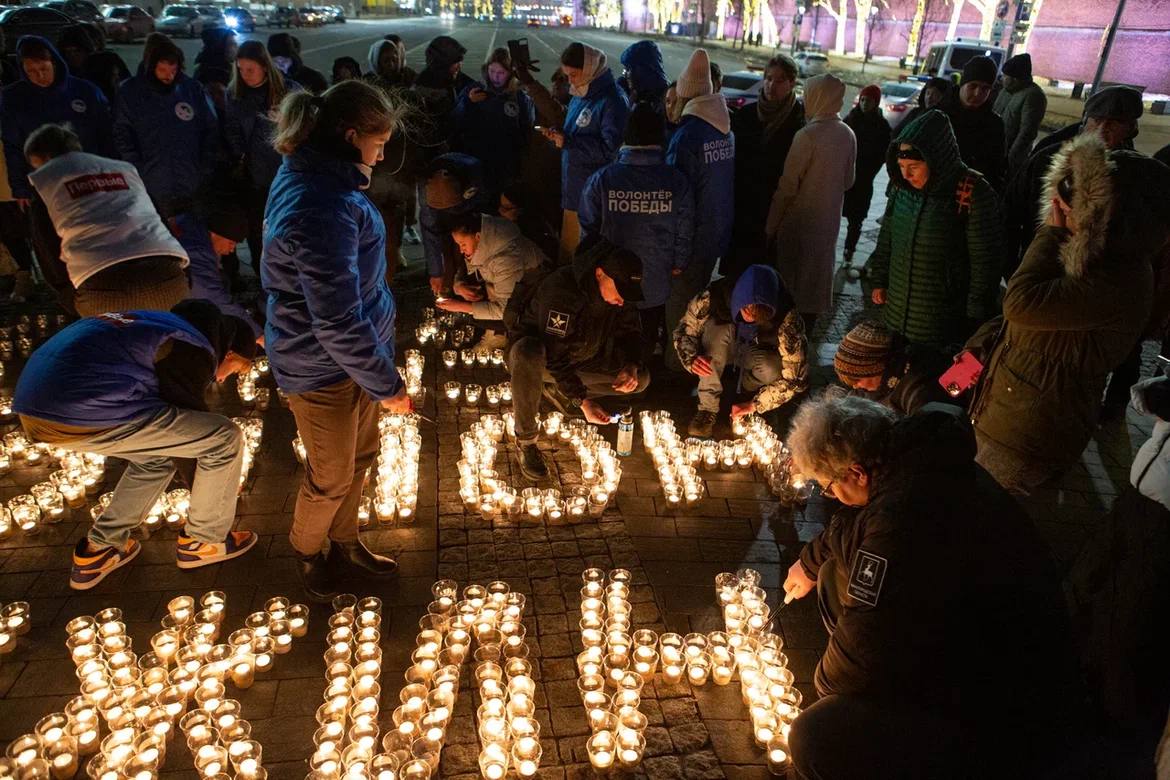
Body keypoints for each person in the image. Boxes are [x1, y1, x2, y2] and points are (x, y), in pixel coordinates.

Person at [782, 394, 1082, 778]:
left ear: (856, 472)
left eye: (828, 487)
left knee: (814, 735)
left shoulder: (904, 518)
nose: (833, 497)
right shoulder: (919, 463)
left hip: (1000, 704)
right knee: (831, 575)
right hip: (978, 635)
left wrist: (828, 686)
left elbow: (859, 653)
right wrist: (809, 562)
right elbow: (862, 525)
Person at [262, 79, 410, 601]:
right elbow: (336, 320)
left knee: (361, 459)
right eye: (379, 143)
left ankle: (345, 542)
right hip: (321, 366)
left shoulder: (324, 178)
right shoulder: (319, 205)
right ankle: (309, 554)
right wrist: (387, 385)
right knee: (329, 475)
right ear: (350, 136)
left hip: (354, 358)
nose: (383, 153)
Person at [13, 300, 259, 590]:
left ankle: (98, 551)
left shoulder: (161, 325)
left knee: (155, 459)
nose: (221, 377)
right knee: (223, 437)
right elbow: (190, 431)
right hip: (80, 407)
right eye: (232, 369)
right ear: (229, 352)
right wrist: (217, 490)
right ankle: (204, 542)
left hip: (36, 407)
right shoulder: (190, 348)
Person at [968, 134, 1160, 494]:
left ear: (1111, 215)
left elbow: (1020, 303)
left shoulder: (1116, 278)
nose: (1059, 210)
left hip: (1027, 434)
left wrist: (1049, 235)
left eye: (1074, 206)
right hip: (1009, 413)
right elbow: (1018, 330)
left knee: (986, 518)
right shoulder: (1088, 258)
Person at [504, 240, 649, 480]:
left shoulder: (620, 296)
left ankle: (561, 392)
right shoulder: (561, 292)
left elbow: (631, 332)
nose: (622, 301)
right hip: (543, 362)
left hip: (584, 358)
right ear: (600, 273)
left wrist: (630, 365)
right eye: (620, 292)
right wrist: (583, 402)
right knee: (526, 352)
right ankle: (527, 442)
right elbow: (556, 356)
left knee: (641, 379)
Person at [866, 110, 1001, 346]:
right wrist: (879, 279)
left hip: (942, 320)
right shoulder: (901, 188)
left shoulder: (972, 192)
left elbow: (985, 262)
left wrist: (975, 316)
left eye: (914, 167)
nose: (906, 175)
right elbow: (887, 237)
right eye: (901, 166)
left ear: (936, 160)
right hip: (896, 312)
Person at [25, 124, 190, 316]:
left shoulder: (46, 185)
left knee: (123, 343)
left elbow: (48, 249)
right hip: (167, 277)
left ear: (40, 159)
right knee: (172, 338)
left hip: (103, 290)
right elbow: (158, 217)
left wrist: (70, 299)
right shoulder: (123, 170)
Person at [1, 36, 113, 301]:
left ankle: (101, 284)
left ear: (55, 63)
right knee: (53, 241)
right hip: (44, 185)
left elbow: (105, 135)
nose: (39, 76)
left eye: (44, 69)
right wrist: (20, 187)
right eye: (31, 72)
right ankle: (68, 295)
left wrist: (109, 171)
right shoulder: (15, 99)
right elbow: (13, 146)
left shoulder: (84, 92)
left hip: (88, 179)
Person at [579, 103, 694, 359]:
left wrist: (592, 273)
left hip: (610, 281)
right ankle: (639, 374)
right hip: (653, 281)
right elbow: (684, 229)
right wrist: (679, 262)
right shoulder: (676, 180)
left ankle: (610, 379)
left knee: (606, 335)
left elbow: (587, 231)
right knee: (645, 332)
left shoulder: (603, 179)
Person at [1002, 85, 1143, 279]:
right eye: (1097, 120)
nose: (1102, 130)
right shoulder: (1049, 158)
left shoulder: (1136, 172)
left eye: (1114, 124)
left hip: (1095, 280)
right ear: (1085, 121)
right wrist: (1012, 268)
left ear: (1130, 129)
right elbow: (1011, 211)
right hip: (1038, 265)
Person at [766, 73, 856, 334]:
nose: (805, 100)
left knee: (791, 288)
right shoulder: (848, 134)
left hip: (799, 223)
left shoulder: (807, 135)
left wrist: (770, 227)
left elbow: (786, 188)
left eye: (808, 94)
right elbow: (849, 181)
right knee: (813, 288)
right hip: (828, 224)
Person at [673, 264, 808, 438]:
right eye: (746, 312)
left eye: (759, 319)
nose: (750, 320)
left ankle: (746, 392)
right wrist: (691, 359)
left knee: (772, 368)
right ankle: (707, 409)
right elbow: (685, 330)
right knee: (717, 329)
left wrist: (756, 404)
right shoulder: (713, 297)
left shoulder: (788, 318)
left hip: (755, 352)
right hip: (721, 347)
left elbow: (795, 379)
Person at [664, 49, 735, 370]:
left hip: (691, 241)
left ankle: (674, 373)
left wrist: (676, 253)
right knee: (696, 308)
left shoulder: (687, 136)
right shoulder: (724, 129)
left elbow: (677, 198)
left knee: (679, 313)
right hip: (714, 236)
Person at [114, 33, 219, 220]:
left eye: (173, 70)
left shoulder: (192, 90)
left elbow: (210, 130)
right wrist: (138, 169)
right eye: (162, 70)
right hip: (151, 187)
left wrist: (204, 167)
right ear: (151, 66)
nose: (169, 76)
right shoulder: (130, 93)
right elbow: (123, 135)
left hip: (191, 184)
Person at [543, 42, 630, 262]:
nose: (570, 80)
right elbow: (577, 130)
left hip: (590, 195)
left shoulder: (612, 100)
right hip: (573, 189)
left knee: (581, 258)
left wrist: (569, 142)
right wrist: (560, 133)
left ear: (590, 68)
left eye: (573, 74)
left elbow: (611, 150)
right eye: (566, 75)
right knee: (568, 253)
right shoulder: (581, 92)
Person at [225, 40, 300, 267]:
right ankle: (264, 277)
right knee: (258, 231)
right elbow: (231, 130)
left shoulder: (289, 91)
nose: (245, 75)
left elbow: (305, 127)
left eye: (250, 69)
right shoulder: (235, 95)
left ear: (265, 67)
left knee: (289, 226)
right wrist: (239, 156)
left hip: (286, 174)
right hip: (254, 178)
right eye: (240, 69)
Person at [727, 54, 803, 277]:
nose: (771, 85)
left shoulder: (798, 121)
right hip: (743, 210)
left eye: (779, 80)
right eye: (768, 78)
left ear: (791, 83)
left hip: (774, 211)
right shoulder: (747, 115)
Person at [364, 37, 422, 283]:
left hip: (401, 162)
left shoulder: (411, 82)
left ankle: (394, 253)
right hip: (375, 165)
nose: (391, 63)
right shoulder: (367, 85)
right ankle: (374, 261)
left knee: (396, 212)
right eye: (385, 59)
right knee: (374, 215)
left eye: (394, 58)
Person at [437, 212, 547, 337]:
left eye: (463, 244)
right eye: (458, 245)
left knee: (476, 316)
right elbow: (467, 268)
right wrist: (459, 286)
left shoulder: (507, 258)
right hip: (505, 289)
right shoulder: (484, 242)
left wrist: (462, 307)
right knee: (468, 304)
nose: (461, 250)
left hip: (531, 298)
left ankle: (501, 336)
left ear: (478, 236)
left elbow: (505, 310)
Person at [174, 195, 261, 338]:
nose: (232, 250)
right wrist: (256, 334)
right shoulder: (197, 251)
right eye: (231, 243)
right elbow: (212, 294)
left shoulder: (193, 226)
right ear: (216, 233)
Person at [453, 47, 535, 197]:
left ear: (511, 73)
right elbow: (456, 121)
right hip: (477, 161)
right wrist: (467, 102)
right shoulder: (475, 90)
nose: (495, 77)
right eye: (492, 72)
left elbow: (527, 130)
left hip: (507, 165)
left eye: (501, 73)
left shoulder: (519, 97)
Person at [832, 319, 957, 416]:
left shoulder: (919, 393)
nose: (855, 386)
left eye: (857, 379)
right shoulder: (874, 385)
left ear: (879, 369)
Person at [420, 152, 488, 294]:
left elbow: (484, 213)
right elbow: (430, 233)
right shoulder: (427, 190)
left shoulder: (473, 176)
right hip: (447, 206)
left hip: (470, 205)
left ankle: (475, 286)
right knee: (446, 247)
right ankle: (450, 288)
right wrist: (436, 272)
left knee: (468, 245)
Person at [842, 84, 890, 266]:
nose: (864, 103)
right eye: (862, 99)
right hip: (846, 176)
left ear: (875, 102)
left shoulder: (881, 126)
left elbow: (882, 154)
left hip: (864, 179)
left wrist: (869, 170)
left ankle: (849, 250)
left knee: (856, 219)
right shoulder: (851, 119)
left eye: (868, 100)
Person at [940, 55, 1005, 191]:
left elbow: (997, 168)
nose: (977, 93)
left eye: (985, 88)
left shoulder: (994, 124)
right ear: (963, 83)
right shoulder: (938, 115)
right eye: (973, 86)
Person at [413, 35, 474, 156]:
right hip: (436, 153)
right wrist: (466, 102)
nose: (458, 66)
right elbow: (444, 125)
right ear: (442, 63)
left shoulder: (452, 78)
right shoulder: (427, 87)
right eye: (455, 63)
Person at [994, 53, 1047, 179]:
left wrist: (1011, 158)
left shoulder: (1033, 96)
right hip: (995, 151)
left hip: (1009, 160)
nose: (1002, 78)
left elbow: (1027, 132)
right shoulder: (1005, 91)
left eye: (1005, 76)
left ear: (1015, 79)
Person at [57, 23, 130, 105]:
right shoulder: (63, 71)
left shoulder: (106, 63)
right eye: (67, 52)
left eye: (76, 51)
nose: (72, 56)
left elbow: (128, 87)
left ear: (86, 49)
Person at [499, 182, 559, 262]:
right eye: (501, 206)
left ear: (521, 209)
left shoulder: (535, 229)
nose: (501, 212)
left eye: (507, 208)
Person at [193, 27, 237, 111]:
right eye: (232, 44)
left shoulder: (204, 67)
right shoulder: (216, 76)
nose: (236, 48)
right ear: (220, 47)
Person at [619, 40, 668, 108]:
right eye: (625, 70)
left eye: (628, 69)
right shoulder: (625, 89)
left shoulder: (665, 99)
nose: (625, 74)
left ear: (642, 71)